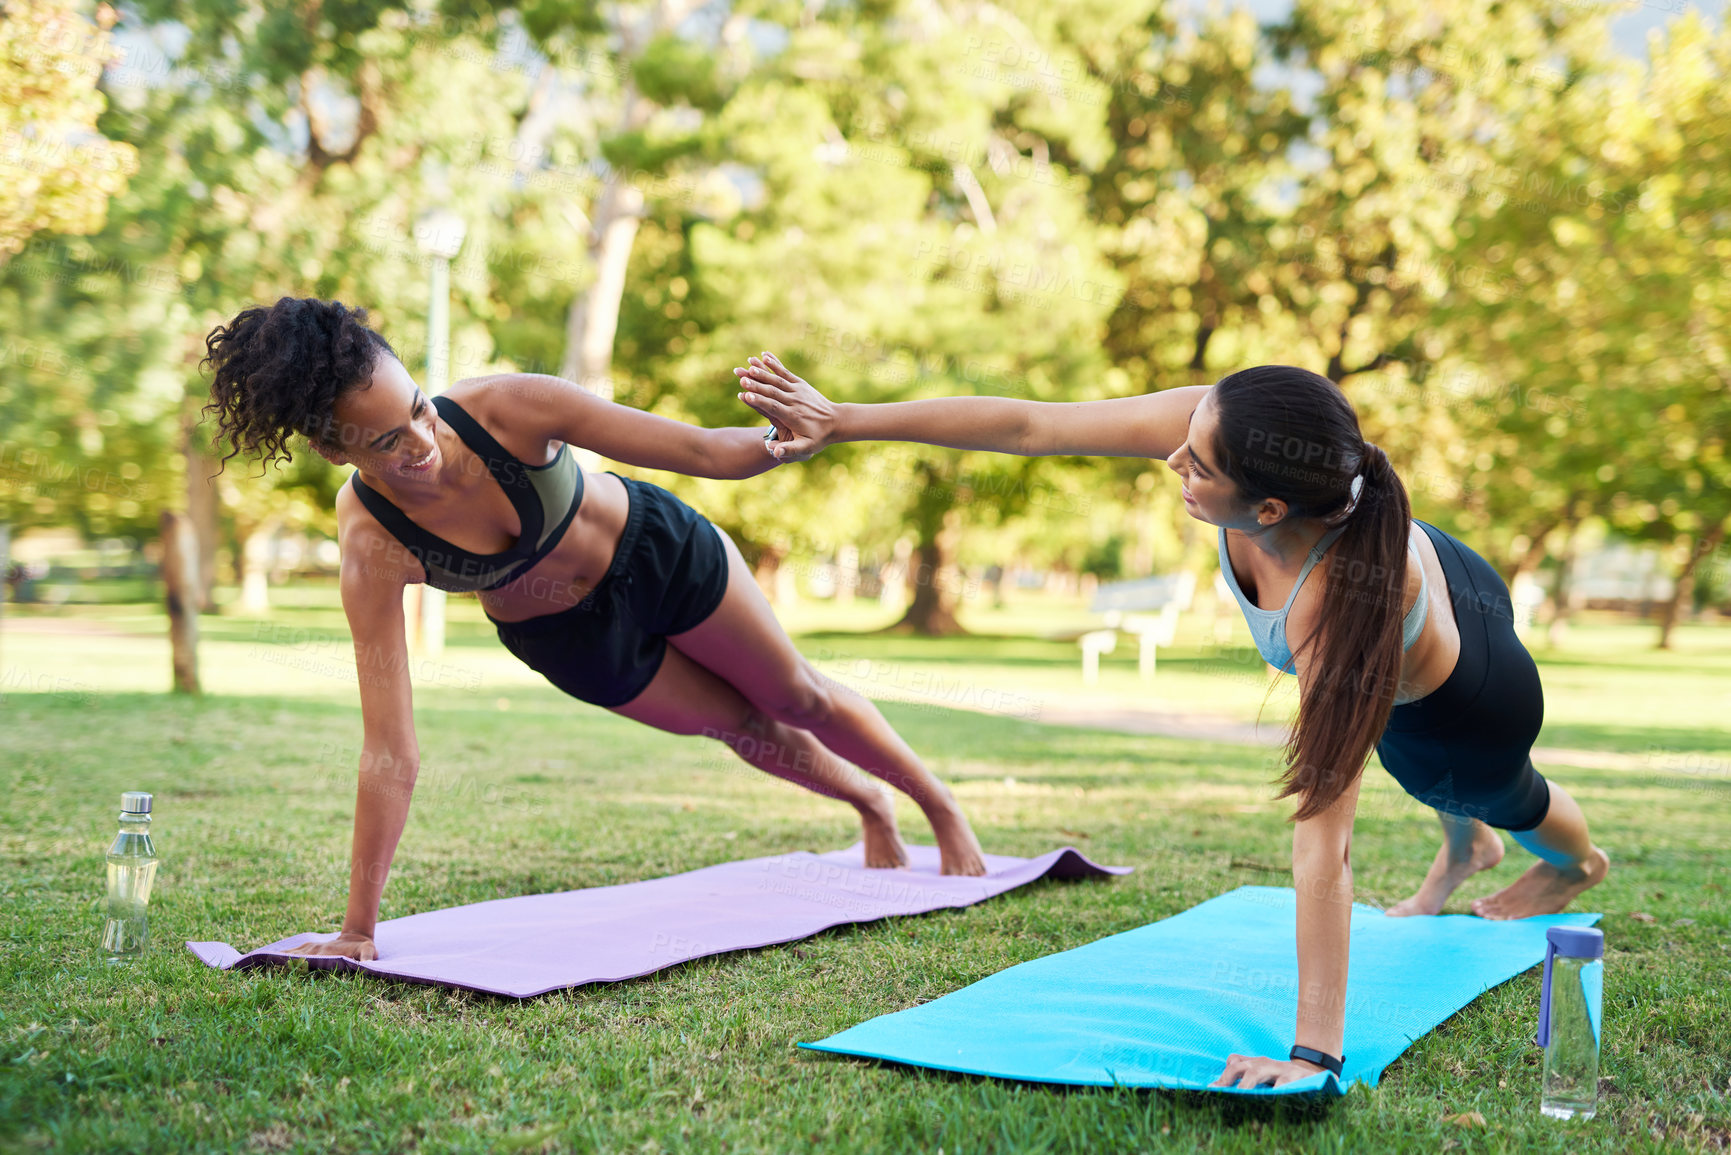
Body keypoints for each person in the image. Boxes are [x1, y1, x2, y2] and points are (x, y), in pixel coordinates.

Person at [732, 352, 1609, 1089]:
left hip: (1466, 694)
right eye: (1186, 446)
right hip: (1428, 589)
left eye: (1197, 466)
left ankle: (1573, 862)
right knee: (1417, 767)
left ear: (1269, 510)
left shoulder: (1335, 612)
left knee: (1481, 784)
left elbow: (1324, 843)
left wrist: (1312, 1054)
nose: (1171, 464)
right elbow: (1033, 428)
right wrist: (842, 418)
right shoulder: (1233, 432)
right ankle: (1464, 853)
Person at [200, 299, 988, 962]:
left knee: (797, 695)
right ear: (330, 447)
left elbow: (700, 449)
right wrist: (357, 927)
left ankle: (937, 806)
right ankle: (870, 806)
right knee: (740, 728)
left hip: (660, 553)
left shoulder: (510, 406)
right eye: (386, 442)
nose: (423, 443)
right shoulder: (372, 542)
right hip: (571, 640)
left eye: (417, 408)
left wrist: (800, 436)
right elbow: (389, 745)